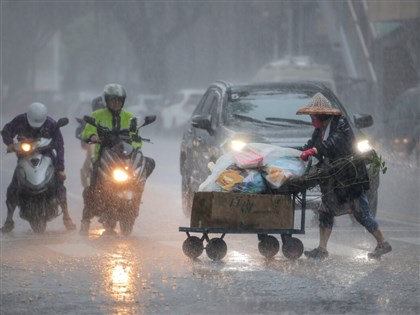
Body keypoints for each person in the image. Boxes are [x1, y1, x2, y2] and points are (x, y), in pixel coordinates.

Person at [296, 92, 391, 260]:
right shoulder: (319, 130)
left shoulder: (341, 124)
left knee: (361, 212)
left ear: (321, 114)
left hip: (350, 176)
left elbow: (335, 142)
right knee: (325, 210)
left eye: (313, 115)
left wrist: (315, 151)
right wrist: (301, 152)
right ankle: (322, 248)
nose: (312, 119)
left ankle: (383, 243)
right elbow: (311, 145)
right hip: (334, 179)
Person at [79, 83, 146, 234]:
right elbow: (87, 132)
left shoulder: (130, 118)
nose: (116, 103)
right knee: (94, 188)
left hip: (124, 158)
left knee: (140, 175)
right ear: (106, 100)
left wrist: (134, 143)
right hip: (103, 158)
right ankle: (85, 219)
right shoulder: (97, 116)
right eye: (112, 100)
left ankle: (135, 204)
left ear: (123, 101)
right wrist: (93, 136)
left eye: (119, 100)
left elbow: (137, 140)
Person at [0, 102, 76, 232]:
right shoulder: (20, 120)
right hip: (25, 156)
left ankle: (66, 216)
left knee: (59, 183)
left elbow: (60, 147)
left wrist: (61, 169)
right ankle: (9, 220)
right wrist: (10, 144)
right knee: (14, 185)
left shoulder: (52, 124)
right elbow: (6, 131)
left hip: (46, 154)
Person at [76, 96, 106, 188]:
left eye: (101, 107)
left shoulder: (111, 119)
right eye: (98, 107)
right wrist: (85, 136)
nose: (99, 109)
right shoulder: (90, 119)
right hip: (94, 143)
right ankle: (86, 176)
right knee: (90, 155)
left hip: (107, 144)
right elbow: (82, 131)